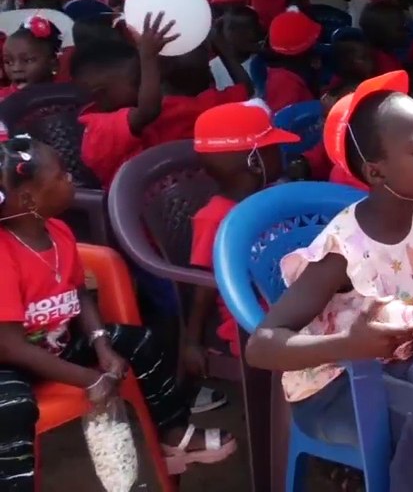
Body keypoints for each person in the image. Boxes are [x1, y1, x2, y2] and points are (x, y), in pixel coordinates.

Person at [245, 71, 413, 492]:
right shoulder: (344, 251)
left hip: (388, 366)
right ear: (375, 172)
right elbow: (260, 345)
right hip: (329, 390)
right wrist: (349, 345)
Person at [0, 135, 237, 490]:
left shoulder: (59, 233)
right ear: (29, 199)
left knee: (140, 341)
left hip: (55, 344)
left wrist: (101, 346)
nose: (71, 180)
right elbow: (11, 347)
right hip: (10, 362)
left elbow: (77, 292)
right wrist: (89, 379)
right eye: (62, 175)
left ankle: (174, 433)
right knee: (12, 407)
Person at [185, 100, 298, 377]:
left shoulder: (269, 198)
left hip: (289, 304)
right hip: (252, 324)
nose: (281, 153)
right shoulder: (215, 218)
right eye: (272, 149)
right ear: (254, 163)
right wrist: (190, 341)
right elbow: (203, 288)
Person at [0, 14, 62, 100]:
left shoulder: (66, 98)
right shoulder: (2, 98)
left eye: (28, 60)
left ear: (53, 64)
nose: (16, 69)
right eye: (8, 62)